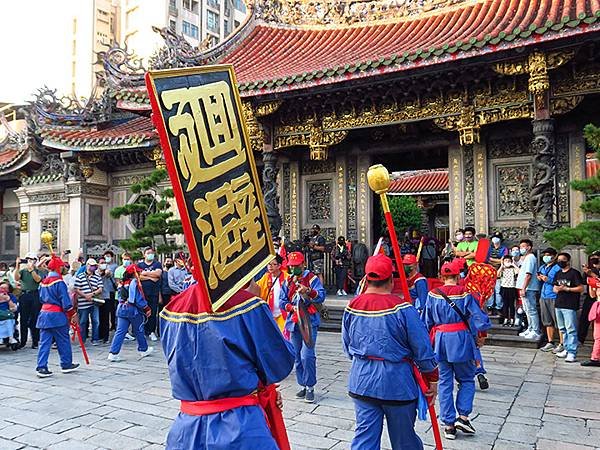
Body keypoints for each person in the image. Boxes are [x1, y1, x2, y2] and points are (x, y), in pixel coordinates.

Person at [159, 276, 295, 449]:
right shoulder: (248, 305)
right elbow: (279, 363)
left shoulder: (171, 309)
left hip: (186, 428)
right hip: (240, 427)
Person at [342, 254, 438, 450]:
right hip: (397, 382)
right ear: (391, 278)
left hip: (362, 380)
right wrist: (432, 377)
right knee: (404, 442)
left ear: (366, 278)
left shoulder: (352, 306)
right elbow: (422, 348)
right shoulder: (403, 308)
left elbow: (347, 346)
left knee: (364, 441)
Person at [423, 260, 491, 440]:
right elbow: (479, 318)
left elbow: (427, 321)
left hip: (440, 340)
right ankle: (463, 416)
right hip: (461, 339)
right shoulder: (465, 293)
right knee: (467, 379)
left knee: (445, 382)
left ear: (442, 277)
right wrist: (482, 334)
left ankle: (449, 425)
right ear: (459, 275)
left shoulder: (432, 294)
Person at [279, 251, 326, 403]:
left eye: (297, 266)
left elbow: (321, 295)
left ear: (303, 264)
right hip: (293, 321)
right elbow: (282, 300)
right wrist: (290, 307)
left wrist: (308, 291)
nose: (294, 269)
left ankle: (311, 386)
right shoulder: (287, 281)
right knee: (297, 356)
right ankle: (303, 385)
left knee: (307, 355)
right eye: (291, 267)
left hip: (308, 321)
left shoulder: (311, 278)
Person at [35, 256, 79, 378]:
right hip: (57, 315)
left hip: (44, 314)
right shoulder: (59, 283)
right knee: (63, 340)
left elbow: (40, 298)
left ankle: (41, 366)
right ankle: (66, 364)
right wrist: (72, 314)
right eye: (62, 266)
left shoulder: (43, 282)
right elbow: (65, 301)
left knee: (44, 342)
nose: (63, 268)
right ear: (58, 268)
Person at [107, 264, 153, 362]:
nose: (140, 273)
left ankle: (113, 353)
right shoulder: (134, 283)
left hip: (121, 308)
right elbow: (137, 299)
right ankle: (143, 349)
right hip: (132, 310)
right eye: (138, 272)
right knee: (139, 329)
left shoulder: (121, 282)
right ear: (134, 273)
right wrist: (146, 308)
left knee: (120, 331)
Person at [553, 253, 584, 363]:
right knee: (562, 329)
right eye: (559, 260)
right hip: (559, 304)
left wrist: (567, 289)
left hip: (570, 305)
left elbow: (581, 288)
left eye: (563, 260)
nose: (560, 261)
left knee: (571, 329)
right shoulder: (558, 273)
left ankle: (572, 352)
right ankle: (566, 348)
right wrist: (557, 289)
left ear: (568, 261)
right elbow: (555, 287)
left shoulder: (574, 273)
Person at [14, 253, 43, 348]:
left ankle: (35, 341)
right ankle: (23, 341)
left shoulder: (38, 271)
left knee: (35, 318)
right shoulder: (23, 271)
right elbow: (16, 278)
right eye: (28, 259)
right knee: (23, 319)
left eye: (32, 259)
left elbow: (38, 280)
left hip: (34, 294)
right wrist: (17, 265)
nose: (30, 261)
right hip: (24, 295)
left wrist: (32, 271)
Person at [537, 248, 562, 352]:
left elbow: (561, 281)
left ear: (554, 256)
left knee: (558, 322)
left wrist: (549, 280)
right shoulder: (543, 267)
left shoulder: (557, 268)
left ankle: (562, 343)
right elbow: (538, 274)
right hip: (544, 295)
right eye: (545, 254)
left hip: (554, 296)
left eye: (549, 254)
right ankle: (550, 341)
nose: (546, 256)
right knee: (547, 321)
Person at [516, 239, 542, 340]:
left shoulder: (531, 257)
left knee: (531, 309)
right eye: (520, 246)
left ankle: (536, 330)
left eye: (524, 246)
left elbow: (528, 275)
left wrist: (524, 288)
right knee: (526, 309)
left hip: (529, 288)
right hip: (525, 287)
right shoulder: (526, 258)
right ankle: (530, 328)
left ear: (529, 247)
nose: (521, 248)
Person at [73, 258, 103, 344]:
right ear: (87, 265)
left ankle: (95, 339)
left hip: (94, 302)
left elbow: (100, 288)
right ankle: (82, 339)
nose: (93, 267)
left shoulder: (97, 277)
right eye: (92, 265)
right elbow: (77, 289)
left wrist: (91, 294)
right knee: (82, 321)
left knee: (96, 321)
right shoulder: (80, 276)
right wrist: (85, 295)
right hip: (83, 302)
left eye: (94, 266)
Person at [137, 247, 162, 341]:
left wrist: (145, 274)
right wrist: (151, 277)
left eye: (151, 253)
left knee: (152, 312)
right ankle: (143, 331)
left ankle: (151, 331)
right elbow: (139, 277)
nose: (150, 254)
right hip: (142, 293)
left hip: (154, 293)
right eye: (148, 253)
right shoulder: (140, 265)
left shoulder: (157, 264)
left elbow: (158, 275)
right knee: (142, 312)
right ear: (144, 255)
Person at [257, 254, 287, 331]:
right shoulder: (265, 277)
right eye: (269, 264)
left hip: (282, 314)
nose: (270, 266)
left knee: (284, 338)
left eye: (274, 264)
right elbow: (257, 289)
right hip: (269, 314)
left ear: (279, 265)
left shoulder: (287, 277)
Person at [580, 254, 600, 345]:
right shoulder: (590, 270)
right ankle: (580, 339)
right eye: (592, 259)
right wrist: (587, 272)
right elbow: (584, 281)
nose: (594, 261)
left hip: (598, 298)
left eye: (596, 259)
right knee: (585, 318)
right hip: (590, 296)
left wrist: (593, 274)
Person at [581, 276, 600, 367]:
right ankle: (595, 357)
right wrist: (591, 284)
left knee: (598, 336)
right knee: (597, 335)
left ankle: (595, 358)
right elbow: (592, 295)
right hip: (598, 306)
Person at [486, 232, 508, 314]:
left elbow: (503, 260)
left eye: (497, 237)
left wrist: (492, 260)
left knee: (498, 291)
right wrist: (497, 261)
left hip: (499, 272)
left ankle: (499, 307)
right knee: (490, 291)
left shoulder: (504, 249)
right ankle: (490, 307)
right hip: (489, 273)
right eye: (494, 237)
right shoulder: (489, 248)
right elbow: (486, 259)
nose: (495, 239)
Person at [98, 255, 117, 343]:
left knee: (106, 317)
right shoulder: (95, 273)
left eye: (104, 263)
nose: (103, 264)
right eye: (101, 263)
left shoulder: (108, 272)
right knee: (98, 317)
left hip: (106, 296)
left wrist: (107, 273)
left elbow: (109, 275)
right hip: (97, 297)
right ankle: (99, 335)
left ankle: (105, 337)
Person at [497, 255, 519, 327]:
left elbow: (519, 271)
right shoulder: (502, 269)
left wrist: (513, 264)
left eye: (509, 261)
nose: (507, 262)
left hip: (512, 288)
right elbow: (497, 275)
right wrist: (501, 265)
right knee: (505, 304)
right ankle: (506, 319)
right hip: (504, 288)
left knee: (511, 305)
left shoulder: (513, 269)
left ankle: (512, 319)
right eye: (506, 260)